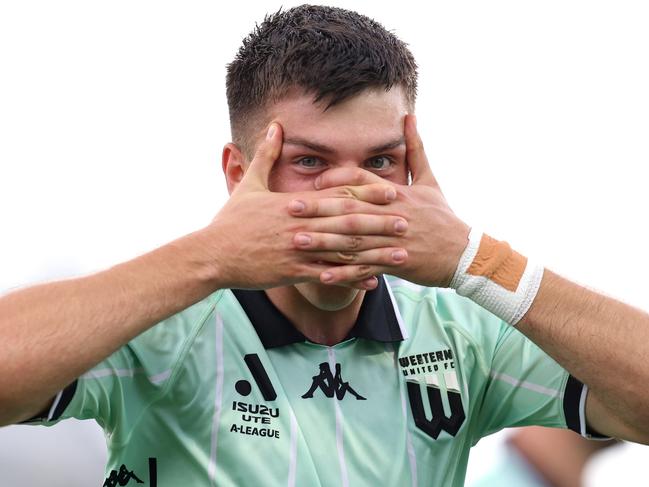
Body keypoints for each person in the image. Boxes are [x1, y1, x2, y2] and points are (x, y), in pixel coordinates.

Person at [1, 4, 648, 486]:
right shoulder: (162, 322)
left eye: (381, 160)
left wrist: (475, 258)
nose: (350, 195)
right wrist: (211, 255)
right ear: (237, 175)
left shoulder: (459, 328)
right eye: (309, 161)